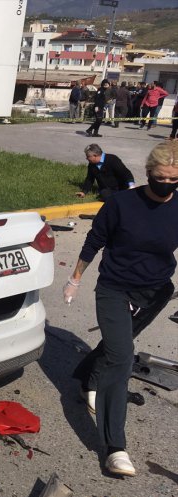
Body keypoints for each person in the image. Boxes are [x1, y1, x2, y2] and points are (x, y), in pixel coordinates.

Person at [64, 140, 178, 477]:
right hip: (114, 288)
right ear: (148, 173)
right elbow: (93, 242)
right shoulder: (121, 204)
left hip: (157, 289)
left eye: (175, 179)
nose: (168, 185)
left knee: (119, 343)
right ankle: (115, 447)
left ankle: (86, 376)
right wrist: (74, 279)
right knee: (122, 355)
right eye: (161, 178)